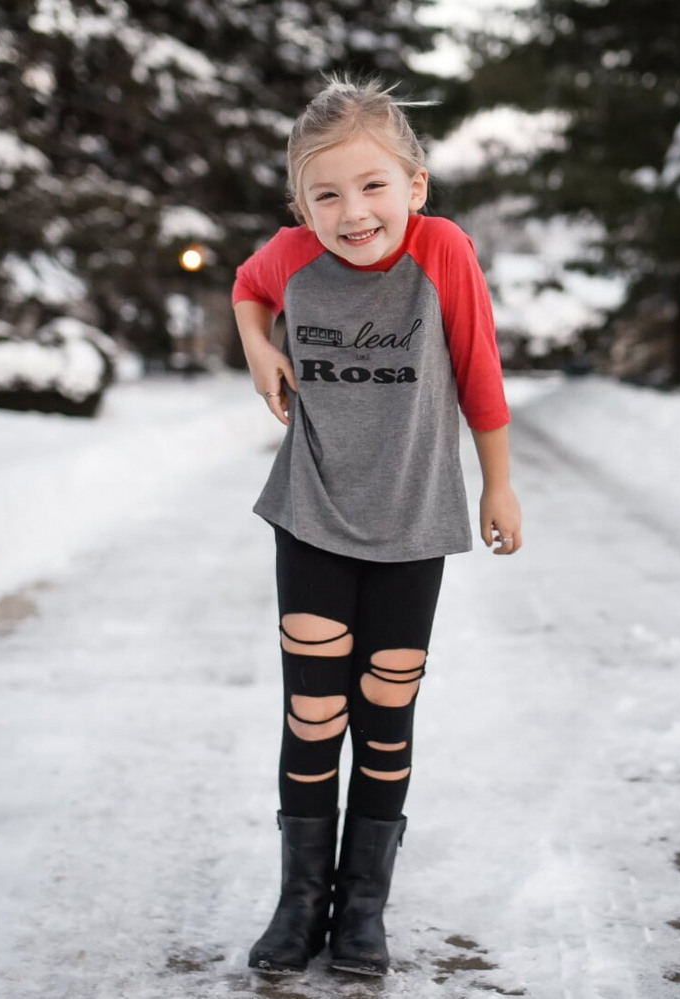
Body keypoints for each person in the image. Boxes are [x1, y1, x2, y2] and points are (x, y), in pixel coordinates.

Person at [231, 75, 522, 978]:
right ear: (300, 205)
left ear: (415, 187)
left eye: (372, 187)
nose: (352, 211)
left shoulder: (441, 253)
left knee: (385, 708)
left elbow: (478, 368)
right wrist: (258, 344)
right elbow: (249, 283)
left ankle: (362, 908)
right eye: (326, 194)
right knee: (314, 710)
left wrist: (498, 483)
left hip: (413, 514)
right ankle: (297, 905)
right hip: (311, 509)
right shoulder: (290, 257)